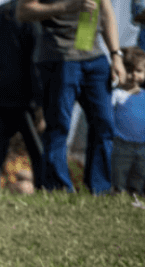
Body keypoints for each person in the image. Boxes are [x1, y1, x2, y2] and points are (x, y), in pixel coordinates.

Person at [17, 0, 127, 193]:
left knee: (104, 123)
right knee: (59, 125)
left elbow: (106, 12)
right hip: (60, 56)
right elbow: (23, 11)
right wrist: (67, 7)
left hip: (94, 57)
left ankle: (99, 190)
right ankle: (59, 189)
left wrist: (116, 55)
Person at [0, 1, 45, 190]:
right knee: (39, 154)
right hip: (23, 98)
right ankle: (45, 195)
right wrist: (40, 103)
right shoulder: (31, 17)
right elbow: (36, 61)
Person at [113, 46, 145, 192]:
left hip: (142, 145)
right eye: (129, 70)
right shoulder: (117, 94)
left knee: (139, 175)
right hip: (121, 144)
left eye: (138, 71)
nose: (133, 75)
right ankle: (118, 196)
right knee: (119, 174)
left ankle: (135, 198)